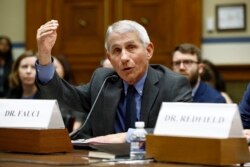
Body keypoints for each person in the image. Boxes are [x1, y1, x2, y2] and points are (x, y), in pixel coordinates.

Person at [35, 19, 192, 143]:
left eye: (131, 47)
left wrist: (128, 136)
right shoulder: (103, 80)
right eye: (117, 51)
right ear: (109, 58)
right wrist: (44, 54)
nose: (124, 58)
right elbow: (64, 97)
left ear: (148, 50)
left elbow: (180, 130)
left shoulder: (173, 84)